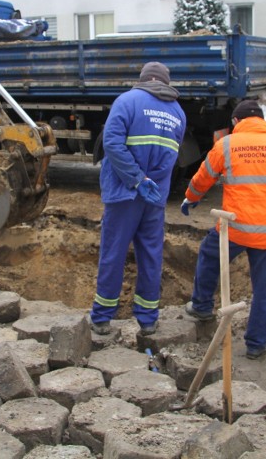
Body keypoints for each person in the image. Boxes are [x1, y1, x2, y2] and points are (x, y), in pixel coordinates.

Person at [181, 99, 266, 359]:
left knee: (209, 256)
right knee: (264, 288)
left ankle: (203, 305)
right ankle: (257, 344)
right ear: (262, 120)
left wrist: (190, 198)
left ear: (236, 121)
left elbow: (202, 178)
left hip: (234, 228)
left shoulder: (226, 145)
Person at [89, 61, 186, 335]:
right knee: (151, 256)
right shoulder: (178, 112)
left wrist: (136, 179)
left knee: (113, 253)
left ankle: (101, 317)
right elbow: (173, 155)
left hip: (124, 193)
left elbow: (112, 144)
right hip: (154, 196)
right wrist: (150, 181)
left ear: (144, 79)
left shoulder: (128, 100)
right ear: (165, 82)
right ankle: (147, 319)